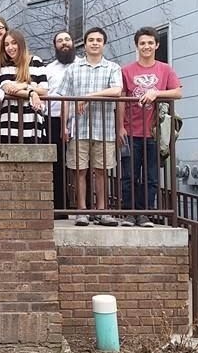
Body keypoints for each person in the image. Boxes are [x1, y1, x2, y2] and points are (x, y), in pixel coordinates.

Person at [58, 27, 123, 226]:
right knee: (79, 170)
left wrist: (87, 97)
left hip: (104, 128)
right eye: (91, 40)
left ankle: (102, 211)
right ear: (84, 44)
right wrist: (64, 126)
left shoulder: (112, 68)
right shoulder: (73, 69)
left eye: (99, 40)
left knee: (102, 171)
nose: (95, 43)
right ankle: (82, 211)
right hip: (79, 128)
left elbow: (117, 90)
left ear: (104, 44)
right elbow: (65, 99)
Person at [117, 27, 182, 227]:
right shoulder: (126, 70)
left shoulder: (165, 69)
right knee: (129, 176)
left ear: (157, 45)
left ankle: (145, 214)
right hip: (131, 131)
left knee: (151, 177)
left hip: (154, 132)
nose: (146, 46)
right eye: (142, 43)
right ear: (137, 46)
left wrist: (157, 93)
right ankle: (129, 214)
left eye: (150, 43)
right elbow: (121, 100)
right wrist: (120, 127)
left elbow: (177, 92)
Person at [42, 31, 77, 214]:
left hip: (80, 120)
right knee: (57, 164)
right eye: (60, 41)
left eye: (67, 40)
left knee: (82, 165)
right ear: (55, 46)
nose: (64, 43)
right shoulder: (49, 69)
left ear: (73, 43)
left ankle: (86, 208)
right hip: (53, 119)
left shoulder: (82, 65)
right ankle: (60, 207)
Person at [0, 30, 49, 144]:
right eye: (6, 45)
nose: (10, 47)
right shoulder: (4, 64)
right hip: (9, 123)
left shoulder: (36, 61)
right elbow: (8, 89)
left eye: (14, 43)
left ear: (21, 44)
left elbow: (44, 90)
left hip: (33, 121)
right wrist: (31, 93)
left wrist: (24, 85)